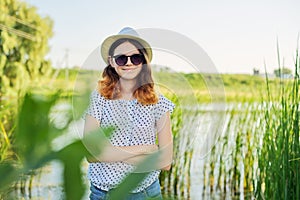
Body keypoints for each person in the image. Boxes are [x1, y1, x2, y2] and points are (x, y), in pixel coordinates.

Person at [83, 27, 175, 200]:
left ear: (143, 62)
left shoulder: (159, 103)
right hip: (102, 193)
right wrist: (146, 149)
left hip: (145, 193)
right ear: (111, 61)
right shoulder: (97, 98)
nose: (129, 63)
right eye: (121, 58)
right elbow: (91, 154)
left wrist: (109, 154)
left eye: (136, 57)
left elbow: (165, 161)